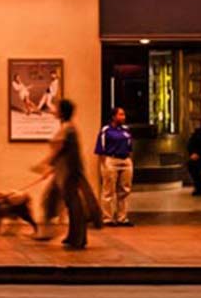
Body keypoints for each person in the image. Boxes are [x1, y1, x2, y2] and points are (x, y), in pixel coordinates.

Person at [37, 99, 99, 249]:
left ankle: (77, 239)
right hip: (67, 172)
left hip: (68, 174)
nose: (54, 111)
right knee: (71, 205)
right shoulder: (69, 128)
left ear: (62, 112)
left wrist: (44, 164)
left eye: (57, 108)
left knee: (74, 206)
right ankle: (74, 236)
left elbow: (58, 150)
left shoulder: (66, 129)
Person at [95, 105, 134, 226]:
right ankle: (107, 218)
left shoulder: (126, 130)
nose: (123, 117)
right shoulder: (106, 130)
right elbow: (100, 149)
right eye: (120, 114)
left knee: (124, 190)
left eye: (124, 114)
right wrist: (105, 164)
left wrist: (129, 160)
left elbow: (130, 146)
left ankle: (122, 217)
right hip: (111, 160)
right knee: (108, 191)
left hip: (125, 160)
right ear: (113, 117)